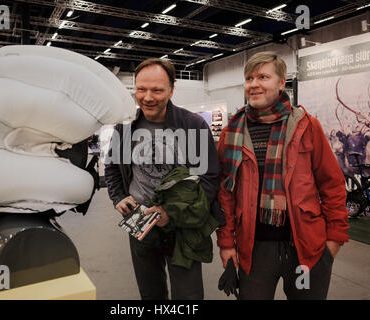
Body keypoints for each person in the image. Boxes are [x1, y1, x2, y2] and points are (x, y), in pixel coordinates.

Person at [216, 51, 349, 300]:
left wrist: (333, 241)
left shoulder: (306, 126)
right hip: (252, 250)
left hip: (305, 248)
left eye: (263, 77)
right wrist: (226, 243)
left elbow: (331, 184)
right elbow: (225, 195)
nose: (254, 84)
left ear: (281, 82)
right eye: (249, 78)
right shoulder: (231, 132)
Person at [104, 58, 221, 300]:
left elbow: (209, 179)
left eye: (157, 90)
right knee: (150, 294)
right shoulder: (125, 127)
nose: (147, 97)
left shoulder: (193, 125)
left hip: (183, 228)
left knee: (188, 296)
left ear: (171, 90)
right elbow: (112, 168)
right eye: (141, 89)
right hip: (140, 223)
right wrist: (118, 197)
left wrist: (172, 213)